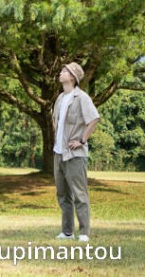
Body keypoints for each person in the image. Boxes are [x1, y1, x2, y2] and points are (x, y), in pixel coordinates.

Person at [51, 61, 100, 243]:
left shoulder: (82, 98)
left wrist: (81, 140)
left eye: (64, 71)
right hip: (59, 154)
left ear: (72, 77)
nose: (61, 73)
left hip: (75, 155)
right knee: (63, 194)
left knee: (80, 194)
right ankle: (67, 232)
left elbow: (94, 119)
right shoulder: (59, 98)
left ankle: (84, 233)